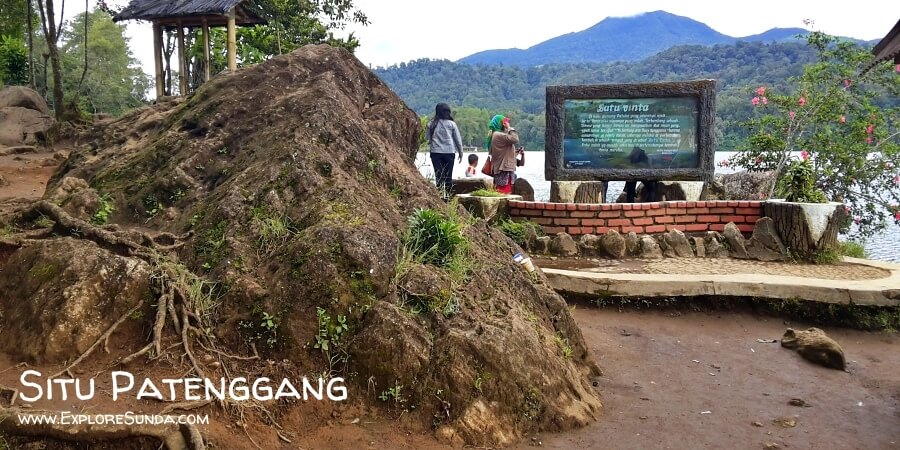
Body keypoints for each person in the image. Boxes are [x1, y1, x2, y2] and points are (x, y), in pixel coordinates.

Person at [425, 103, 463, 199]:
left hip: (435, 152)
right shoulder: (452, 124)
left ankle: (440, 197)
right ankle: (449, 198)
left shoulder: (431, 124)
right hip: (449, 152)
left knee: (439, 176)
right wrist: (461, 153)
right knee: (448, 176)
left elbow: (427, 139)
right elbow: (458, 140)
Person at [486, 114, 523, 194]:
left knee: (502, 193)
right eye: (504, 122)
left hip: (502, 170)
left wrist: (515, 153)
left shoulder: (495, 134)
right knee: (504, 194)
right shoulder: (498, 135)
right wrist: (509, 127)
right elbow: (515, 139)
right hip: (503, 171)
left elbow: (502, 152)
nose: (506, 124)